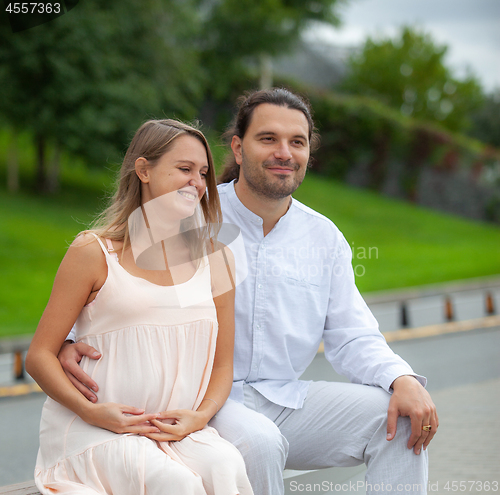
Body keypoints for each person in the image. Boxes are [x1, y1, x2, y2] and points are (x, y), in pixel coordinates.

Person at [59, 89, 438, 495]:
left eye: (297, 142)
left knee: (401, 417)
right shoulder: (193, 216)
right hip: (209, 401)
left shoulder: (323, 238)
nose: (284, 153)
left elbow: (353, 334)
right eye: (268, 138)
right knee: (259, 442)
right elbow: (122, 286)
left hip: (288, 401)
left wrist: (402, 379)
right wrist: (69, 338)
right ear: (238, 148)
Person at [26, 119, 253, 495]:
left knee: (226, 465)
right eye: (184, 169)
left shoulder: (217, 258)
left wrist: (199, 417)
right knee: (175, 484)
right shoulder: (93, 251)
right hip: (96, 429)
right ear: (144, 169)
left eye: (202, 173)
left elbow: (223, 364)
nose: (197, 181)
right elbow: (39, 356)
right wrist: (91, 412)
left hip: (175, 432)